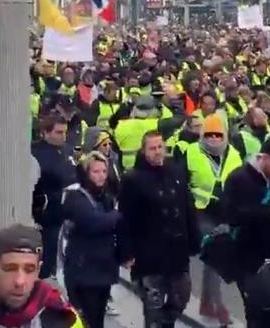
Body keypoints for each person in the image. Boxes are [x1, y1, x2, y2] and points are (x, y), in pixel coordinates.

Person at [118, 130, 200, 328]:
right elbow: (125, 219)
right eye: (152, 148)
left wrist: (194, 238)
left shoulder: (176, 171)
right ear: (144, 151)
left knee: (181, 296)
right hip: (149, 254)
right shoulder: (133, 179)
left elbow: (187, 207)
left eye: (160, 147)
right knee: (153, 306)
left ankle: (166, 322)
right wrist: (126, 252)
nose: (157, 152)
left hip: (177, 251)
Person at [222, 138, 270, 327]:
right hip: (248, 259)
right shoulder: (238, 179)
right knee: (256, 313)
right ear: (264, 157)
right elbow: (233, 215)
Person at [184, 113, 240, 325]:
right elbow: (184, 183)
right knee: (214, 253)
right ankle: (218, 306)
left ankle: (206, 303)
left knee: (214, 258)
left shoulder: (234, 154)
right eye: (209, 134)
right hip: (201, 211)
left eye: (218, 135)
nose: (214, 139)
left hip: (224, 212)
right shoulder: (191, 152)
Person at [62, 152, 124, 328]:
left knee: (97, 318)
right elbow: (93, 223)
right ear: (86, 173)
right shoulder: (77, 197)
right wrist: (116, 215)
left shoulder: (106, 197)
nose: (101, 176)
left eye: (104, 171)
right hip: (83, 271)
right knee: (86, 319)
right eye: (96, 171)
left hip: (103, 269)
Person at [31, 115, 77, 281]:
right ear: (45, 132)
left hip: (64, 214)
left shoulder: (66, 151)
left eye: (65, 132)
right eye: (58, 132)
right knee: (46, 258)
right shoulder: (35, 154)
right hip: (45, 216)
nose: (63, 136)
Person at [113, 95, 159, 170]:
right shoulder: (156, 124)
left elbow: (115, 148)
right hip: (150, 168)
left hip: (127, 169)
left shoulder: (121, 125)